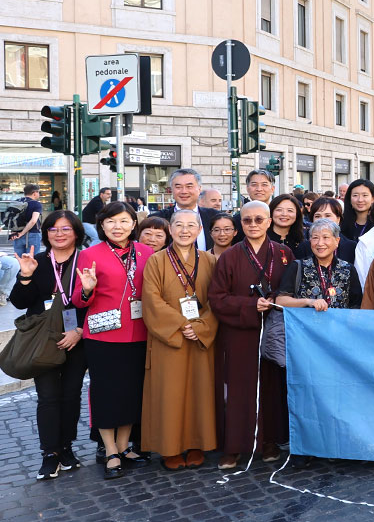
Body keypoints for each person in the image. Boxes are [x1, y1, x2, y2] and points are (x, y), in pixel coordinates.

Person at [208, 200, 294, 470]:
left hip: (273, 329)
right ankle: (234, 446)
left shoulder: (284, 253)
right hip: (239, 332)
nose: (254, 225)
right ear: (239, 225)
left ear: (270, 222)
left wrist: (274, 300)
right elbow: (217, 298)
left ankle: (269, 441)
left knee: (271, 386)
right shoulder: (230, 256)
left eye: (259, 219)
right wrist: (248, 305)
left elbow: (291, 291)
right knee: (238, 389)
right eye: (247, 220)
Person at [71, 201, 152, 480]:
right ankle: (109, 451)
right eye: (111, 222)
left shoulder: (146, 252)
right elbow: (78, 299)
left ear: (133, 224)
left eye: (123, 221)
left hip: (140, 332)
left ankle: (123, 446)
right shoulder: (90, 255)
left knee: (132, 391)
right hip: (103, 335)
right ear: (102, 226)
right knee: (106, 394)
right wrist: (88, 289)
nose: (117, 227)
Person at [10, 210, 88, 480]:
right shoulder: (37, 261)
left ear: (76, 232)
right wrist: (26, 275)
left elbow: (99, 300)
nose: (59, 233)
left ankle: (66, 448)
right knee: (48, 397)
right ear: (45, 234)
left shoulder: (87, 261)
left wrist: (79, 330)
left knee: (71, 396)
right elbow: (19, 302)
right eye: (53, 229)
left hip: (77, 338)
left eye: (65, 229)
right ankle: (49, 453)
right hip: (44, 340)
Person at [140, 210, 218, 471]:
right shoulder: (157, 261)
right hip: (169, 337)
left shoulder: (210, 260)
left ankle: (198, 443)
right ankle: (170, 447)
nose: (185, 230)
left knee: (200, 391)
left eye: (190, 226)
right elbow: (151, 299)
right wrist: (182, 324)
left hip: (200, 337)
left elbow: (217, 300)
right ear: (170, 230)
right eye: (179, 225)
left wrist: (202, 326)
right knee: (169, 392)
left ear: (198, 230)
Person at [277, 218, 362, 311]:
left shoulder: (348, 269)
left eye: (325, 237)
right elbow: (280, 301)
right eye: (315, 238)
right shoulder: (298, 266)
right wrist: (308, 302)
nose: (320, 243)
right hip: (304, 325)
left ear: (337, 241)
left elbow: (356, 305)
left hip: (338, 325)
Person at [151, 169, 220, 251]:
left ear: (199, 189)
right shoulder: (157, 219)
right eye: (178, 187)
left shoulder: (215, 217)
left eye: (189, 186)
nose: (184, 191)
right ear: (171, 190)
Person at [309, 196, 357, 263]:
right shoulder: (305, 246)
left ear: (338, 219)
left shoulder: (351, 247)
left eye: (328, 216)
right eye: (317, 216)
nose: (323, 220)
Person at [267, 194, 309, 260]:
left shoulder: (303, 244)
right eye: (279, 210)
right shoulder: (262, 240)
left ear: (297, 215)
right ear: (271, 212)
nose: (284, 214)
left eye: (290, 210)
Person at [10, 184, 43, 257]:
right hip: (33, 234)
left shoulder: (16, 202)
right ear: (34, 193)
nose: (39, 194)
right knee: (32, 260)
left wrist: (15, 232)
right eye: (38, 192)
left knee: (19, 260)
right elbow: (33, 221)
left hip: (17, 235)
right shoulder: (36, 204)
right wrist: (23, 233)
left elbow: (11, 218)